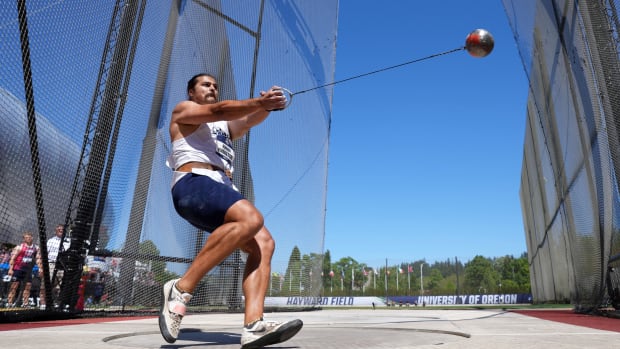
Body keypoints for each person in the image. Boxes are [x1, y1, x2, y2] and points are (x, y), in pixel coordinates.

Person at [159, 73, 302, 347]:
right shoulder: (184, 110)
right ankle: (181, 289)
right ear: (191, 92)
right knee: (252, 218)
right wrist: (259, 100)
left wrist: (267, 107)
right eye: (205, 85)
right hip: (193, 183)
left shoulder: (222, 127)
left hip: (219, 188)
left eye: (215, 85)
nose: (212, 88)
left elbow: (247, 121)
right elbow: (219, 109)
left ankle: (254, 325)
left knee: (264, 244)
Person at [6, 232, 43, 307]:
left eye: (29, 237)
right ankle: (9, 303)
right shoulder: (19, 247)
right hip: (18, 269)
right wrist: (10, 269)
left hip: (28, 270)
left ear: (32, 238)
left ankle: (25, 303)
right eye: (26, 237)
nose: (28, 238)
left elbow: (38, 258)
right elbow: (12, 259)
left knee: (28, 286)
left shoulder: (36, 248)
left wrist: (40, 268)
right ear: (24, 239)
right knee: (14, 285)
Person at [40, 224, 70, 308]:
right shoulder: (51, 241)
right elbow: (44, 254)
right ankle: (42, 303)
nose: (61, 231)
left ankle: (56, 303)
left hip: (63, 266)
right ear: (56, 231)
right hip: (51, 264)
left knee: (59, 286)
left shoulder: (68, 241)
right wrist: (42, 267)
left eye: (62, 230)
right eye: (59, 229)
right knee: (46, 284)